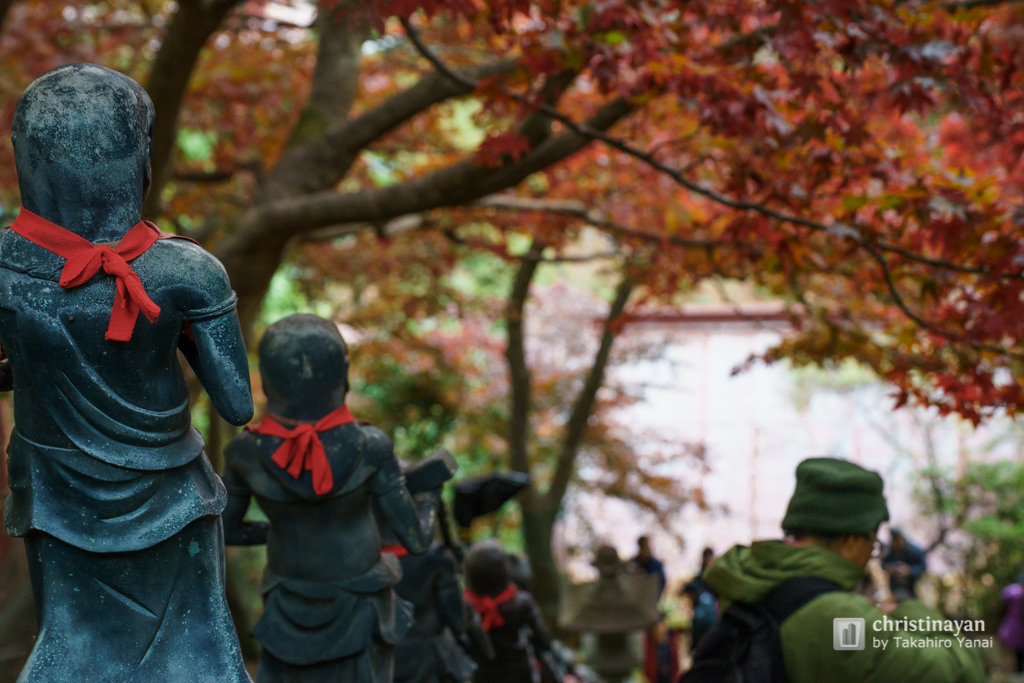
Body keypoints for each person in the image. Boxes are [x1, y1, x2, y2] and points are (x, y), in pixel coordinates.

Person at [1, 64, 254, 682]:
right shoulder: (187, 271)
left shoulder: (6, 268)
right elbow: (238, 403)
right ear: (136, 157)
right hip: (174, 493)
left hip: (59, 495)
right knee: (198, 651)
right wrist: (187, 334)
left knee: (71, 638)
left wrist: (34, 358)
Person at [222, 314, 441, 683]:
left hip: (286, 609)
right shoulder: (372, 448)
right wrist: (430, 496)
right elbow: (417, 541)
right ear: (344, 372)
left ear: (267, 381)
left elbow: (227, 530)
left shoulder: (246, 453)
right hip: (361, 602)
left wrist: (275, 530)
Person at [691, 457, 985, 683]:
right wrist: (903, 607)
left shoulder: (752, 582)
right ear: (850, 541)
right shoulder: (841, 618)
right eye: (872, 541)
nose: (873, 552)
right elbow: (956, 672)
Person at [464, 540, 553, 683]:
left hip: (484, 674)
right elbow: (544, 641)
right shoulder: (522, 602)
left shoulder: (467, 606)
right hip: (519, 672)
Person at [882, 528, 928, 600]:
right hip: (894, 586)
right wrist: (890, 568)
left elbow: (923, 568)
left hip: (912, 586)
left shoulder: (915, 551)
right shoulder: (890, 550)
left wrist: (909, 570)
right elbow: (883, 564)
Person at [999, 573, 1024, 673]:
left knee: (1014, 659)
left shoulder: (1011, 592)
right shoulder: (1013, 592)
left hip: (1012, 631)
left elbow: (1002, 608)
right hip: (1014, 631)